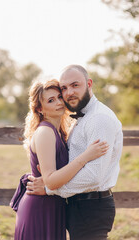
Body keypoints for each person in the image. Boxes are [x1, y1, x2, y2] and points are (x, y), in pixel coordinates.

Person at [26, 65, 123, 240]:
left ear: (89, 84)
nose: (69, 92)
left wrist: (50, 189)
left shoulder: (99, 119)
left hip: (91, 207)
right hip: (74, 205)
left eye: (75, 85)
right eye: (64, 88)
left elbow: (93, 176)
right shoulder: (78, 119)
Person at [11, 78, 109, 240]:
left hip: (52, 206)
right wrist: (86, 156)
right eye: (51, 100)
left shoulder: (58, 131)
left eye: (59, 97)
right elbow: (51, 181)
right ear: (40, 109)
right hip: (40, 209)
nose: (58, 102)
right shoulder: (45, 133)